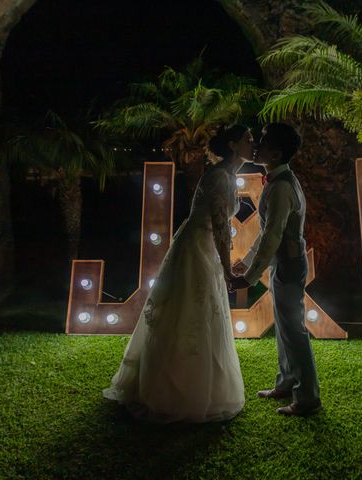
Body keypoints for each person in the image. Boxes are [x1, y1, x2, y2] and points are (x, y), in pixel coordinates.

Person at [103, 124, 254, 423]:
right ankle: (176, 391)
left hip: (201, 245)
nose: (254, 143)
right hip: (199, 248)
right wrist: (227, 269)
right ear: (234, 145)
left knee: (197, 314)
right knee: (191, 312)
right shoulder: (221, 176)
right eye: (248, 139)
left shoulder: (226, 174)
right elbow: (221, 227)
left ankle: (186, 382)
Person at [230, 123, 322, 417]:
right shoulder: (280, 182)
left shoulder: (281, 188)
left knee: (293, 331)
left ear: (277, 152)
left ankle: (307, 398)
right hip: (285, 263)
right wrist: (247, 262)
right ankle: (286, 383)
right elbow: (267, 233)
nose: (256, 145)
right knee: (285, 329)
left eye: (264, 142)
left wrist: (248, 276)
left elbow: (273, 237)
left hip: (288, 264)